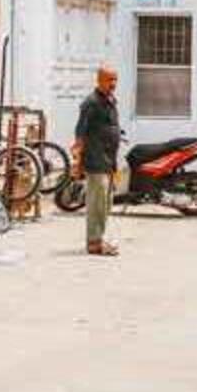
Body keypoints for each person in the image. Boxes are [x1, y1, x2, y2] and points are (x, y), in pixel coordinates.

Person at [71, 66, 122, 257]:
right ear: (99, 80)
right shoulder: (91, 103)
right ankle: (94, 242)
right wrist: (77, 159)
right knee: (97, 202)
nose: (113, 84)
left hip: (109, 160)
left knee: (106, 202)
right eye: (110, 80)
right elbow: (80, 131)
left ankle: (99, 238)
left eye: (115, 79)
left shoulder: (110, 101)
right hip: (95, 159)